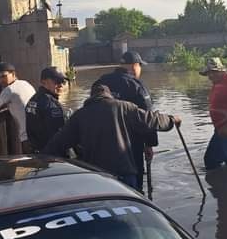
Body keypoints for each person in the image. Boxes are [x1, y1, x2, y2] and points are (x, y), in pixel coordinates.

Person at [43, 84, 181, 189]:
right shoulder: (125, 107)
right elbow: (152, 120)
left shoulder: (80, 115)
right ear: (110, 96)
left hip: (96, 177)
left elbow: (57, 144)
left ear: (91, 97)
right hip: (125, 174)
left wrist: (41, 162)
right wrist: (172, 120)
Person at [94, 51, 157, 191]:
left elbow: (91, 107)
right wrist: (149, 144)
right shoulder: (136, 85)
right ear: (135, 66)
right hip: (131, 143)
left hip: (102, 142)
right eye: (140, 66)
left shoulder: (101, 81)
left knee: (107, 183)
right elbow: (148, 116)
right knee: (135, 182)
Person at [0, 62, 36, 149]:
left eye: (3, 76)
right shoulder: (26, 83)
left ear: (13, 74)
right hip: (37, 131)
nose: (0, 80)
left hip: (27, 136)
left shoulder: (9, 90)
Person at [25, 67, 68, 153]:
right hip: (52, 155)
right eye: (57, 81)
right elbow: (59, 134)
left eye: (63, 81)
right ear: (43, 82)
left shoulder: (32, 100)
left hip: (36, 152)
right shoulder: (51, 104)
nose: (61, 85)